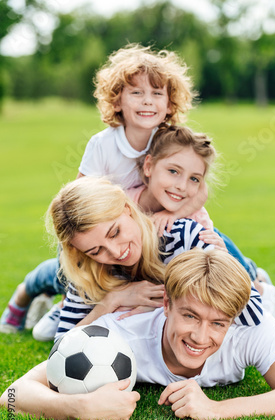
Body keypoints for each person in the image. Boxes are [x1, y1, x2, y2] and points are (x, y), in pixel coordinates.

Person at [0, 44, 199, 337]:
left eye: (157, 94)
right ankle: (31, 295)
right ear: (117, 100)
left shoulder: (172, 142)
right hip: (102, 226)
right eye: (136, 93)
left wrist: (174, 212)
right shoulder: (104, 145)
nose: (147, 102)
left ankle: (253, 277)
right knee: (65, 270)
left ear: (170, 103)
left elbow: (198, 187)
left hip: (149, 227)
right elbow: (79, 203)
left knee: (210, 240)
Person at [1, 249, 275, 420]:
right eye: (190, 316)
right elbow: (13, 395)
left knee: (270, 303)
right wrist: (81, 407)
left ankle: (259, 279)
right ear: (166, 303)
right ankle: (43, 301)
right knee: (49, 329)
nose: (201, 337)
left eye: (218, 323)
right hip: (98, 294)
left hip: (259, 296)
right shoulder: (121, 334)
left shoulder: (249, 326)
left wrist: (217, 409)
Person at [47, 177, 263, 339]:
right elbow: (60, 348)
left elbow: (253, 315)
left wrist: (164, 304)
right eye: (96, 250)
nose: (115, 252)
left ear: (126, 209)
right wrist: (111, 301)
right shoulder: (88, 267)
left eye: (115, 232)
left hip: (242, 274)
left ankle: (261, 282)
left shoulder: (185, 238)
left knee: (260, 290)